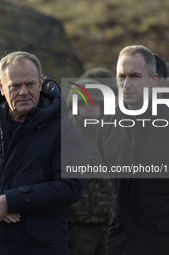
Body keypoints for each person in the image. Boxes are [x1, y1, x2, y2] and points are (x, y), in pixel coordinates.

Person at [0, 51, 84, 255]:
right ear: (1, 87)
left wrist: (10, 201)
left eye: (30, 84)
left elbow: (71, 185)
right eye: (15, 85)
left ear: (40, 82)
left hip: (41, 247)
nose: (23, 92)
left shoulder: (63, 128)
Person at [97, 45, 169, 255]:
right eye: (121, 76)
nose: (126, 84)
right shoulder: (107, 124)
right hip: (124, 243)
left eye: (135, 76)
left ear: (153, 80)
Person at [66, 77, 113, 255]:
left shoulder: (113, 133)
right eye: (84, 103)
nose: (91, 107)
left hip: (111, 223)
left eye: (95, 103)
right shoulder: (65, 134)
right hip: (78, 225)